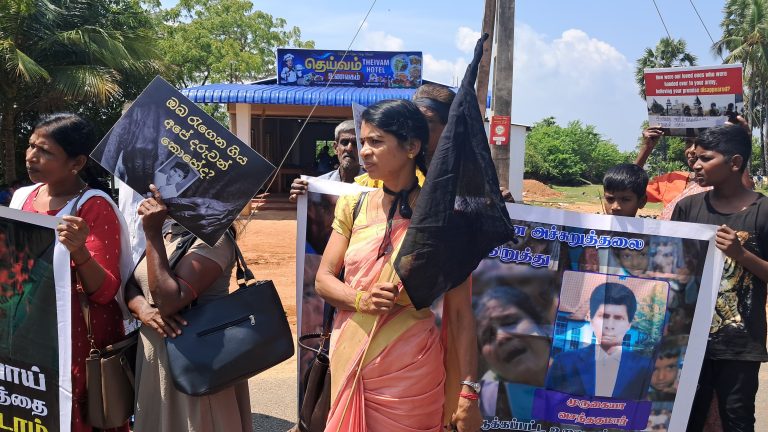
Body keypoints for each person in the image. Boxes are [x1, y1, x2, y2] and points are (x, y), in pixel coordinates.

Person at [315, 99, 481, 431]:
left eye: (376, 141)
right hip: (350, 354)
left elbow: (461, 314)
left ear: (411, 147)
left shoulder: (443, 219)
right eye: (363, 141)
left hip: (411, 370)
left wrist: (469, 392)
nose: (364, 151)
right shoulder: (354, 204)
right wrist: (361, 299)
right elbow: (323, 279)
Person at [11, 113, 133, 432]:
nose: (31, 156)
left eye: (45, 151)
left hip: (77, 340)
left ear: (76, 163)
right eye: (31, 145)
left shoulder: (93, 206)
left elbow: (104, 291)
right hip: (31, 335)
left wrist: (79, 251)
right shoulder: (22, 198)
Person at [126, 184, 252, 432]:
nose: (156, 190)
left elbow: (169, 301)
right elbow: (131, 286)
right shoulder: (170, 232)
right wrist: (144, 311)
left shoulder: (214, 239)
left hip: (197, 364)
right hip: (158, 360)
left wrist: (151, 233)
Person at [671, 125, 768, 432]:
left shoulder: (763, 212)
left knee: (737, 418)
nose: (696, 164)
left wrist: (741, 254)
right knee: (684, 417)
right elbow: (672, 270)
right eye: (695, 157)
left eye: (706, 158)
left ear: (735, 163)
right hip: (688, 340)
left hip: (740, 343)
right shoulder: (687, 208)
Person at [545, 282, 653, 399]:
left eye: (618, 318)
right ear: (591, 320)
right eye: (604, 316)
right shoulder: (564, 362)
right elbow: (548, 402)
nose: (609, 325)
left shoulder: (644, 367)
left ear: (629, 325)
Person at [475, 286, 553, 420]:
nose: (501, 337)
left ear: (543, 325)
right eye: (487, 336)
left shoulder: (586, 371)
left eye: (510, 322)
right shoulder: (482, 407)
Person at [289, 120, 363, 202]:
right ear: (335, 148)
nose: (349, 148)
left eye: (355, 143)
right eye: (344, 142)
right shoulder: (317, 187)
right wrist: (302, 199)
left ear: (363, 148)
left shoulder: (373, 185)